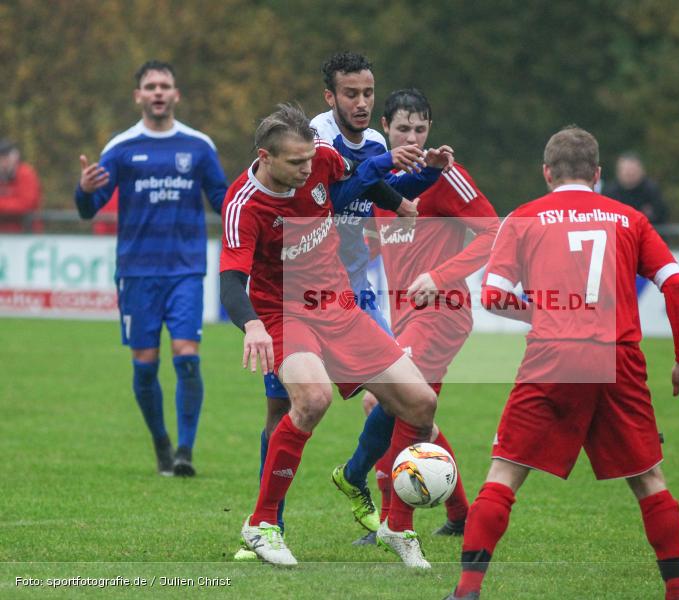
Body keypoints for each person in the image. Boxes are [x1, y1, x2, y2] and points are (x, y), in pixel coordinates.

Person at [444, 127, 679, 600]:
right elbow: (675, 284)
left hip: (552, 355)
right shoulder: (630, 218)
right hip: (618, 356)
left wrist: (543, 312)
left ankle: (466, 591)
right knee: (648, 480)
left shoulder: (523, 218)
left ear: (547, 173)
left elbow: (495, 296)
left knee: (505, 471)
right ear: (598, 175)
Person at [238, 52, 450, 553]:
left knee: (409, 401)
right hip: (292, 300)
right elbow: (334, 194)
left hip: (351, 289)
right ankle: (268, 526)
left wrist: (412, 189)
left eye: (367, 93)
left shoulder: (372, 141)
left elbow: (374, 188)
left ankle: (372, 495)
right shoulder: (313, 141)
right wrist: (381, 172)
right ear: (329, 97)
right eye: (350, 94)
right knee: (291, 406)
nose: (360, 102)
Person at [342, 89, 500, 547]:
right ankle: (461, 515)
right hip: (403, 316)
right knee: (410, 412)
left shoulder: (444, 175)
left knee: (391, 403)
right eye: (403, 129)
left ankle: (391, 522)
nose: (413, 137)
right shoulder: (380, 178)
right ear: (385, 128)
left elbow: (494, 232)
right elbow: (373, 242)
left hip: (441, 313)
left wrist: (441, 274)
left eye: (421, 128)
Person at [74, 60, 228, 477]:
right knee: (144, 364)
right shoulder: (122, 147)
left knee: (187, 357)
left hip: (186, 269)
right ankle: (161, 441)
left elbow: (224, 200)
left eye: (165, 86)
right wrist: (83, 191)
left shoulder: (198, 146)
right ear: (138, 96)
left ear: (176, 95)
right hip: (138, 272)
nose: (158, 92)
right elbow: (90, 208)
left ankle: (184, 451)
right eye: (150, 86)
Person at [603, 152, 669, 225]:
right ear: (618, 172)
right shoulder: (609, 192)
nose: (630, 173)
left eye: (633, 170)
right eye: (625, 170)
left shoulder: (652, 190)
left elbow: (661, 217)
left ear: (642, 170)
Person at [0, 139, 42, 233]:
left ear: (15, 157)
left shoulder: (26, 174)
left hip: (25, 235)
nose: (3, 163)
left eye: (5, 158)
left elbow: (25, 205)